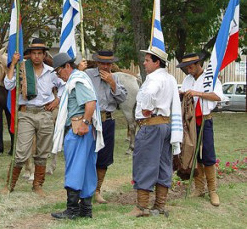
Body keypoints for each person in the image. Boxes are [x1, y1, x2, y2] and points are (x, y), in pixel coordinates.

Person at [1, 38, 64, 197]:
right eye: (33, 53)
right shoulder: (22, 69)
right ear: (29, 55)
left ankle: (37, 185)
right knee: (21, 152)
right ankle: (10, 185)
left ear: (44, 55)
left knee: (43, 152)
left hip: (45, 114)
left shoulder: (51, 72)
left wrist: (57, 100)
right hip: (26, 114)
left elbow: (65, 85)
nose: (36, 56)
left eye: (39, 53)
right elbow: (8, 85)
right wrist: (12, 65)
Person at [128, 47, 183, 217]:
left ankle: (142, 207)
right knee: (163, 164)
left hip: (152, 125)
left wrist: (147, 108)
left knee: (145, 162)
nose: (144, 63)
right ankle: (160, 206)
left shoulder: (154, 79)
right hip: (165, 125)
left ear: (156, 62)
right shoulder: (170, 78)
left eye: (147, 60)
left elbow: (150, 94)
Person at [50, 52, 103, 219]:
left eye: (59, 72)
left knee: (74, 168)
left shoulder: (77, 80)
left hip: (78, 129)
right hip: (84, 131)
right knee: (87, 169)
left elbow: (90, 103)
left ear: (67, 66)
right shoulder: (79, 78)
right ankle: (86, 210)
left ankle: (72, 210)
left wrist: (85, 123)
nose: (59, 76)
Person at [177, 53, 223, 206]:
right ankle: (199, 188)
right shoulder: (187, 80)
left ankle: (212, 190)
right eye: (186, 68)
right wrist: (182, 95)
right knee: (193, 154)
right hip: (190, 123)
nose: (189, 70)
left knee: (208, 155)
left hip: (205, 120)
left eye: (190, 67)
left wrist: (198, 93)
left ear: (198, 64)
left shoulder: (210, 78)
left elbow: (217, 96)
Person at [83, 51, 127, 204]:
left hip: (107, 120)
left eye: (108, 64)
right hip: (90, 120)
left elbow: (122, 98)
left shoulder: (115, 77)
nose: (105, 66)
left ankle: (97, 190)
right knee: (87, 156)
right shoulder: (87, 74)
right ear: (97, 63)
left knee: (104, 157)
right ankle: (84, 190)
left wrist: (112, 84)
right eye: (102, 63)